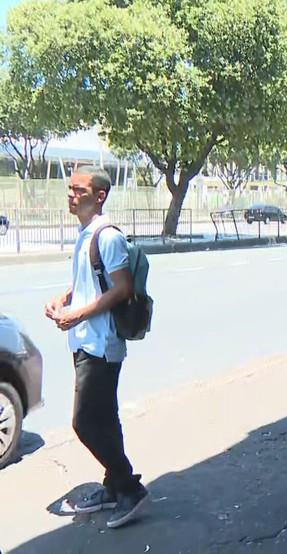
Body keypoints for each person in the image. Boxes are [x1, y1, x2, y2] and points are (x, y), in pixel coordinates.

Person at [43, 166, 148, 528]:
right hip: (86, 340)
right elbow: (88, 282)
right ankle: (113, 485)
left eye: (78, 190)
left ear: (99, 195)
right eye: (69, 189)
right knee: (105, 418)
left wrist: (77, 316)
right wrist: (64, 299)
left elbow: (120, 288)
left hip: (101, 344)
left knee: (85, 422)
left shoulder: (107, 236)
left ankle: (128, 486)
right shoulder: (85, 234)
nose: (71, 196)